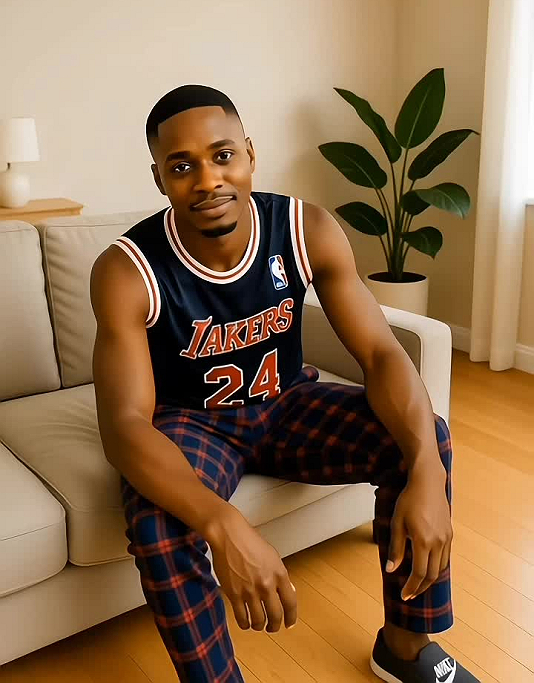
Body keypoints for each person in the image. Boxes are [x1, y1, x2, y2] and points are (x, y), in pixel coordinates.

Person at [90, 85, 479, 683]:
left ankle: (405, 648)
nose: (208, 180)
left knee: (424, 436)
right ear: (159, 178)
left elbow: (380, 353)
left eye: (222, 156)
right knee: (157, 521)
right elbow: (124, 426)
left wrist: (426, 468)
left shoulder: (304, 228)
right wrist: (223, 523)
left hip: (287, 402)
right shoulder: (127, 269)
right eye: (182, 166)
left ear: (249, 153)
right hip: (193, 422)